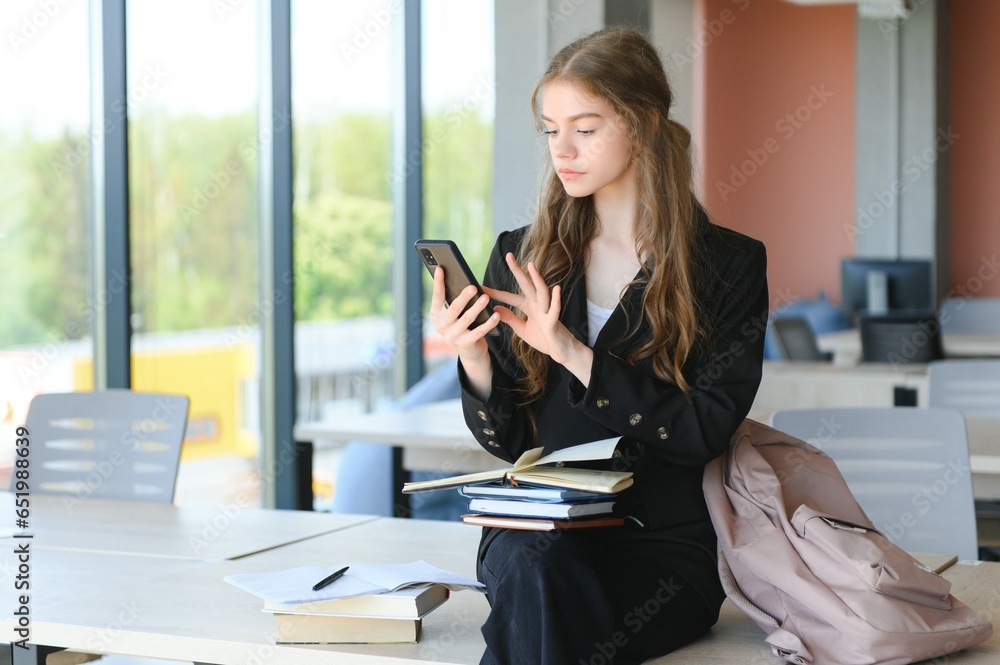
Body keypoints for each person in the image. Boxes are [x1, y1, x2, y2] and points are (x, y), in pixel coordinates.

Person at [429, 26, 768, 665]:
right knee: (539, 570)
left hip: (659, 548)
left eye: (585, 128)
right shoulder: (520, 253)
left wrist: (570, 351)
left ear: (641, 125)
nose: (563, 149)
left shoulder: (728, 264)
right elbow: (510, 443)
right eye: (551, 130)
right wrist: (472, 354)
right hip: (537, 531)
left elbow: (704, 431)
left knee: (543, 615)